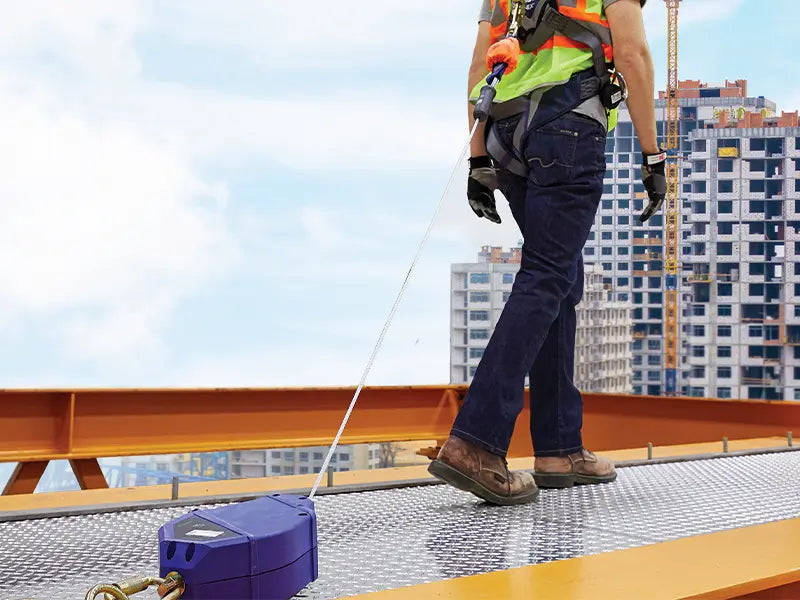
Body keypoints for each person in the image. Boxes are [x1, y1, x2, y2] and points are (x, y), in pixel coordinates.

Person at [428, 0, 666, 505]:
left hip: (505, 134)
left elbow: (478, 69)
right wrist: (653, 153)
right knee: (545, 276)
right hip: (567, 126)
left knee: (559, 277)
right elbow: (632, 52)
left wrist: (477, 161)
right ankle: (475, 443)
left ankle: (559, 449)